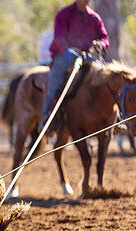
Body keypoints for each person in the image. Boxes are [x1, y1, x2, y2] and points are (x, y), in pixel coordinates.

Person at [39, 0, 109, 132]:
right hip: (63, 53)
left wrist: (101, 44)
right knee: (54, 82)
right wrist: (68, 55)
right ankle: (46, 118)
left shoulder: (94, 17)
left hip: (85, 55)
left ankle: (113, 117)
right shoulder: (64, 14)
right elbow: (59, 39)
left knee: (104, 76)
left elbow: (104, 37)